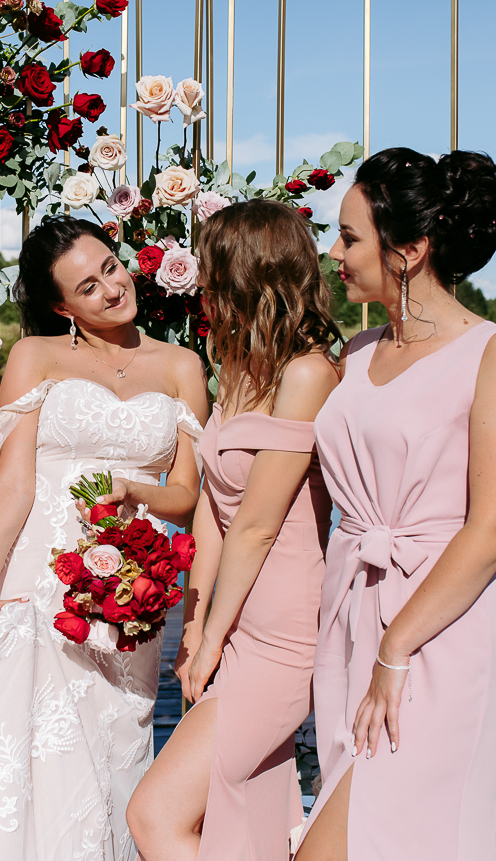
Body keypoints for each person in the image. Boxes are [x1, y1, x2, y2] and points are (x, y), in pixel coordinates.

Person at [0, 216, 208, 860]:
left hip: (134, 585)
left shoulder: (182, 366)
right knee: (40, 752)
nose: (113, 288)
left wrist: (133, 492)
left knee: (118, 740)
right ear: (62, 308)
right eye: (88, 287)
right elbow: (14, 481)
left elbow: (187, 495)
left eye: (111, 267)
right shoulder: (34, 357)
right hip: (44, 578)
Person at [294, 148, 496, 861]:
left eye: (349, 237)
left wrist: (395, 648)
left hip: (434, 634)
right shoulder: (358, 351)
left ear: (408, 252)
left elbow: (494, 528)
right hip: (351, 615)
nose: (334, 253)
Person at [127, 199, 341, 861]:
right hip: (236, 620)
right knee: (246, 814)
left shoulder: (308, 374)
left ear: (249, 274)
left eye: (213, 273)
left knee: (154, 815)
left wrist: (213, 637)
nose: (203, 289)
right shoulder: (241, 368)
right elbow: (215, 511)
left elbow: (256, 526)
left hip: (284, 630)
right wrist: (195, 624)